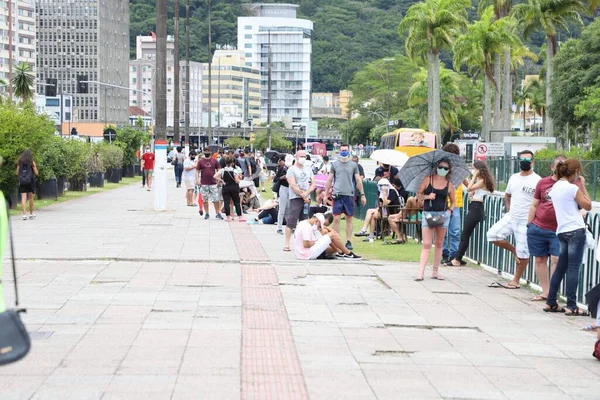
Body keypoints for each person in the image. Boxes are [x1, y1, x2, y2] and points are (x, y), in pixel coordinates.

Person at [487, 150, 541, 289]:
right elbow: (507, 195)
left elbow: (540, 202)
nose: (524, 163)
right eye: (522, 160)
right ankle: (514, 250)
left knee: (524, 252)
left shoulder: (537, 180)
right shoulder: (514, 177)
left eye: (527, 160)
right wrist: (508, 209)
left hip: (526, 220)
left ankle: (516, 280)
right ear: (518, 162)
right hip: (512, 216)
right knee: (492, 235)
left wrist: (534, 219)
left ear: (532, 162)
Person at [544, 159, 592, 315]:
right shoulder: (572, 188)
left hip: (562, 231)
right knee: (573, 269)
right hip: (576, 230)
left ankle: (551, 301)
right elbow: (588, 205)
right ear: (576, 172)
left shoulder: (555, 187)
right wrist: (582, 185)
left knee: (560, 268)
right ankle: (571, 305)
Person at [525, 155, 566, 300]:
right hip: (539, 227)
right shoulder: (543, 183)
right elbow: (535, 204)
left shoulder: (570, 184)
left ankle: (553, 292)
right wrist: (529, 224)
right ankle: (546, 291)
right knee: (540, 260)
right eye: (558, 165)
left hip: (558, 229)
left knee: (556, 259)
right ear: (552, 167)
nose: (560, 168)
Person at [445, 160, 495, 267]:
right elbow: (471, 189)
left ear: (478, 170)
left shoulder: (482, 181)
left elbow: (468, 189)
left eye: (474, 169)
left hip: (476, 208)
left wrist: (474, 177)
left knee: (465, 234)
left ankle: (457, 259)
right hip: (474, 206)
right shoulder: (480, 181)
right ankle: (458, 257)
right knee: (465, 234)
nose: (473, 171)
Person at [415, 159, 456, 281]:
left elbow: (453, 202)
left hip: (443, 214)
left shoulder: (449, 184)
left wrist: (449, 211)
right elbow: (418, 194)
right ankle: (420, 272)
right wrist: (428, 196)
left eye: (446, 168)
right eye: (441, 167)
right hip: (428, 213)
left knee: (439, 243)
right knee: (427, 244)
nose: (443, 170)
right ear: (436, 167)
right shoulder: (428, 179)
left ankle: (435, 271)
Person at [323, 144, 366, 250]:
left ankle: (348, 240)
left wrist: (362, 194)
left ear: (349, 151)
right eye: (342, 150)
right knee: (336, 218)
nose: (344, 152)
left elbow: (358, 180)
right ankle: (336, 239)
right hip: (337, 194)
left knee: (349, 218)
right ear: (339, 151)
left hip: (349, 195)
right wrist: (325, 194)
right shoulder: (335, 164)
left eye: (346, 150)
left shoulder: (353, 165)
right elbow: (329, 179)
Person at [284, 150, 315, 252]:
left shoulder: (308, 169)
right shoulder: (291, 170)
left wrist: (307, 193)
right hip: (296, 197)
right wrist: (302, 194)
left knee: (305, 221)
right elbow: (293, 185)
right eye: (301, 156)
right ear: (296, 157)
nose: (303, 158)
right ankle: (287, 243)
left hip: (307, 198)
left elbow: (313, 183)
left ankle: (303, 242)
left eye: (304, 156)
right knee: (292, 220)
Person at [294, 213, 361, 260]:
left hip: (302, 253)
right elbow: (306, 244)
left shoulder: (303, 223)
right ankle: (348, 254)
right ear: (316, 221)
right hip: (307, 254)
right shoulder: (306, 227)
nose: (318, 228)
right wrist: (317, 241)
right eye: (319, 226)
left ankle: (342, 252)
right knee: (332, 235)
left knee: (330, 235)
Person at [441, 143, 465, 264]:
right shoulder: (442, 169)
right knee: (443, 230)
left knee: (455, 231)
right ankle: (444, 254)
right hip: (443, 203)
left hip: (456, 204)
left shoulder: (460, 170)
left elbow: (467, 183)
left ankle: (453, 255)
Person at [214, 156, 246, 222]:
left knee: (226, 202)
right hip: (234, 188)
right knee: (237, 202)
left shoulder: (222, 170)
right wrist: (239, 179)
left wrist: (221, 180)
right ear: (232, 163)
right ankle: (240, 217)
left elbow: (214, 176)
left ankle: (228, 217)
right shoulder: (235, 171)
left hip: (225, 187)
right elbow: (237, 181)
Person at [196, 147, 222, 220]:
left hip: (213, 183)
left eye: (208, 151)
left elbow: (219, 170)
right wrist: (198, 180)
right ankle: (207, 213)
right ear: (204, 152)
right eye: (205, 151)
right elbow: (197, 171)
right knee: (205, 199)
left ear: (210, 152)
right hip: (204, 183)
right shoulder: (200, 161)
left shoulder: (214, 161)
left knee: (216, 199)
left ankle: (217, 213)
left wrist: (219, 179)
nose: (207, 153)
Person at [16, 149, 38, 220]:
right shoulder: (32, 162)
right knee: (31, 198)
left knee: (23, 198)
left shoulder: (19, 162)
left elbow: (17, 173)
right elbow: (36, 173)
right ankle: (31, 214)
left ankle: (24, 215)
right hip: (30, 181)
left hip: (22, 181)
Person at [273, 155, 291, 235]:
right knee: (282, 208)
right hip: (283, 187)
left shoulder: (293, 168)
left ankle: (290, 226)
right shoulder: (282, 169)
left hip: (291, 188)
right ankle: (279, 227)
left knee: (289, 209)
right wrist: (281, 178)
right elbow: (275, 179)